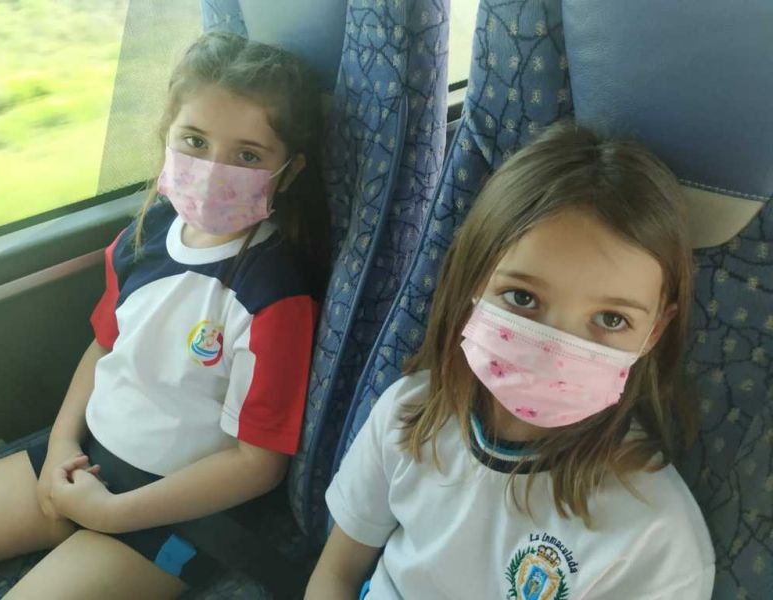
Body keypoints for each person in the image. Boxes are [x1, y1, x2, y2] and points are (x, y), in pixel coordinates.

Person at [0, 31, 329, 599]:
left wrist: (115, 513)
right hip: (87, 454)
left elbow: (257, 462)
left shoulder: (274, 296)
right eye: (195, 141)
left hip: (172, 510)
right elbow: (104, 347)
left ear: (286, 172)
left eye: (247, 156)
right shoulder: (146, 236)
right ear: (167, 136)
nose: (213, 171)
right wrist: (61, 445)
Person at [306, 121, 715, 599]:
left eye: (610, 319)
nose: (556, 350)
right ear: (475, 281)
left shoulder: (654, 539)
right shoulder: (408, 413)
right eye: (523, 297)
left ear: (654, 333)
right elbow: (338, 572)